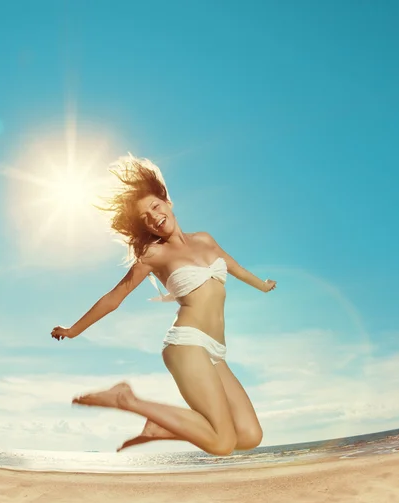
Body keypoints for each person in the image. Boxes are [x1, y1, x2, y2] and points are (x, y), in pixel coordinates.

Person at [51, 156, 276, 455]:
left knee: (248, 435)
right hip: (186, 345)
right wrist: (73, 330)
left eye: (155, 207)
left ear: (167, 201)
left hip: (215, 351)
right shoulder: (152, 256)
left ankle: (161, 428)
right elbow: (114, 297)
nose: (153, 217)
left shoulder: (205, 240)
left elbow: (234, 267)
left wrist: (262, 285)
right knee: (222, 444)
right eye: (144, 217)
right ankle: (126, 399)